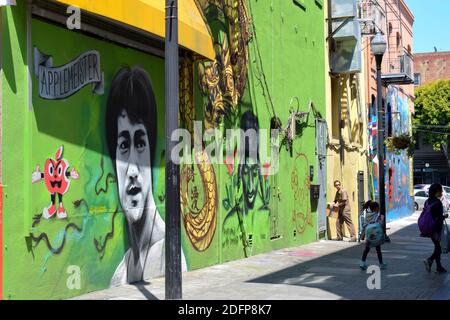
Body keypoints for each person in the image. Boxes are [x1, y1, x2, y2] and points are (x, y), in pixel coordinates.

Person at [105, 66, 187, 286]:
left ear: (152, 153)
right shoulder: (120, 274)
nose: (132, 170)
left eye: (140, 143)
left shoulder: (168, 258)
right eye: (123, 145)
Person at [423, 183, 448, 274]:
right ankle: (430, 260)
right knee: (439, 248)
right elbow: (438, 217)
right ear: (436, 192)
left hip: (429, 228)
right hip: (436, 229)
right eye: (440, 190)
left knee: (437, 246)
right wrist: (444, 216)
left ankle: (438, 267)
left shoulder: (427, 201)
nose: (442, 192)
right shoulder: (438, 203)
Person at [359, 200, 387, 270]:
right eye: (378, 208)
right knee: (378, 250)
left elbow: (364, 225)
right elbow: (380, 224)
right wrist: (382, 219)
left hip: (369, 236)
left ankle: (362, 263)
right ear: (375, 208)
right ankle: (381, 264)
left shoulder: (367, 216)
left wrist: (362, 235)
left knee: (366, 249)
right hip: (376, 236)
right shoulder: (376, 216)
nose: (379, 209)